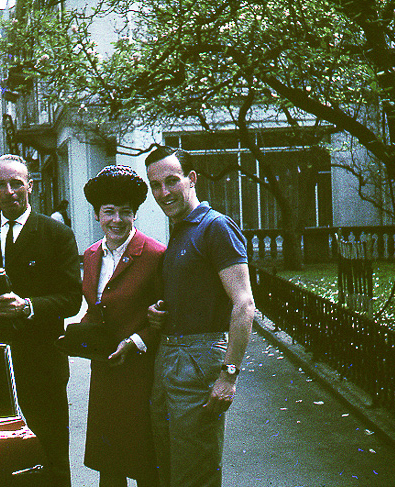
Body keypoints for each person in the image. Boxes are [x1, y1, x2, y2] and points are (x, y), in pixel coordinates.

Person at [0, 154, 82, 487]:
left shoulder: (57, 234)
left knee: (49, 446)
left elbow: (71, 299)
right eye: (0, 184)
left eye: (16, 183)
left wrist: (28, 306)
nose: (9, 191)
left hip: (42, 360)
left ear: (30, 186)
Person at [144, 146, 255, 487]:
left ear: (191, 180)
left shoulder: (216, 227)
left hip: (199, 360)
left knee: (194, 475)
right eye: (156, 186)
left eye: (172, 181)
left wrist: (229, 375)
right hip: (170, 359)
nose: (164, 193)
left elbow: (244, 304)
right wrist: (162, 312)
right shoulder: (180, 228)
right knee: (170, 469)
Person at [80, 165, 165, 487]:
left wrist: (137, 341)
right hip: (105, 371)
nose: (117, 220)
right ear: (98, 215)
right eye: (109, 212)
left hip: (142, 372)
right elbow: (96, 309)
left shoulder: (155, 254)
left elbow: (165, 315)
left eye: (125, 212)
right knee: (109, 461)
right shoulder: (90, 255)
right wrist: (77, 336)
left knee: (144, 460)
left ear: (135, 215)